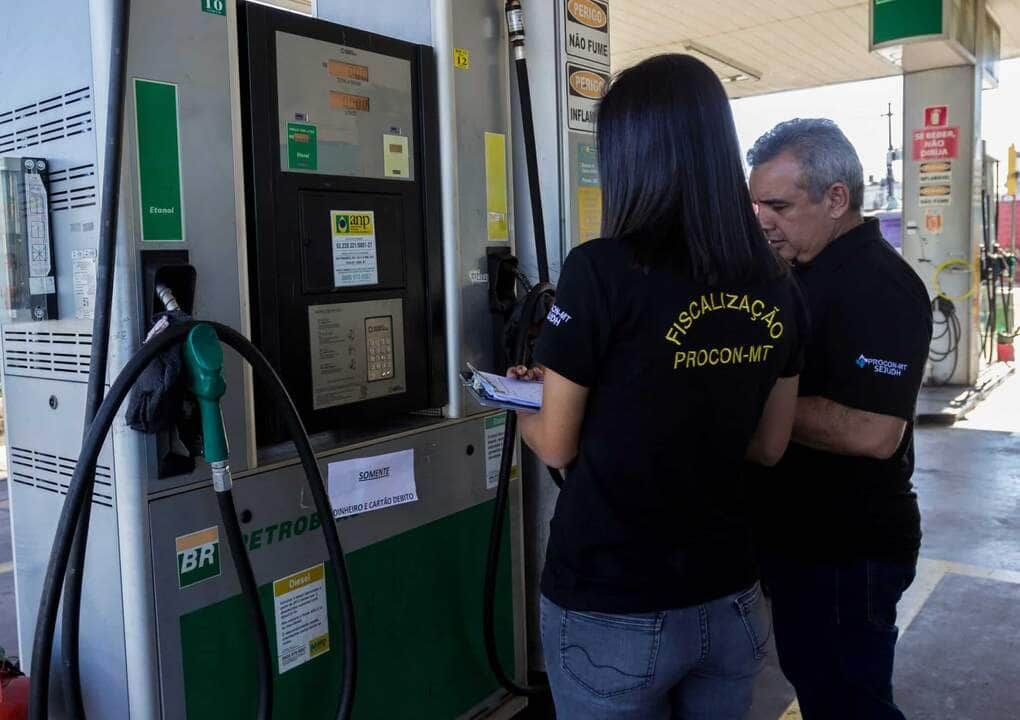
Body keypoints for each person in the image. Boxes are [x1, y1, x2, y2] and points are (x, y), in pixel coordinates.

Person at [510, 54, 806, 719]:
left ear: (628, 157)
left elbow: (556, 447)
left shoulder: (600, 271)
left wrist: (521, 404)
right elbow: (770, 445)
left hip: (613, 604)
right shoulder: (774, 283)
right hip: (730, 599)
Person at [746, 118, 933, 720]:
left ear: (836, 199)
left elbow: (876, 431)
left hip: (849, 553)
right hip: (800, 543)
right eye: (754, 204)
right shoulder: (799, 274)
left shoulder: (881, 286)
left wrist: (742, 408)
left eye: (777, 204)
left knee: (850, 705)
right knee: (821, 686)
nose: (760, 219)